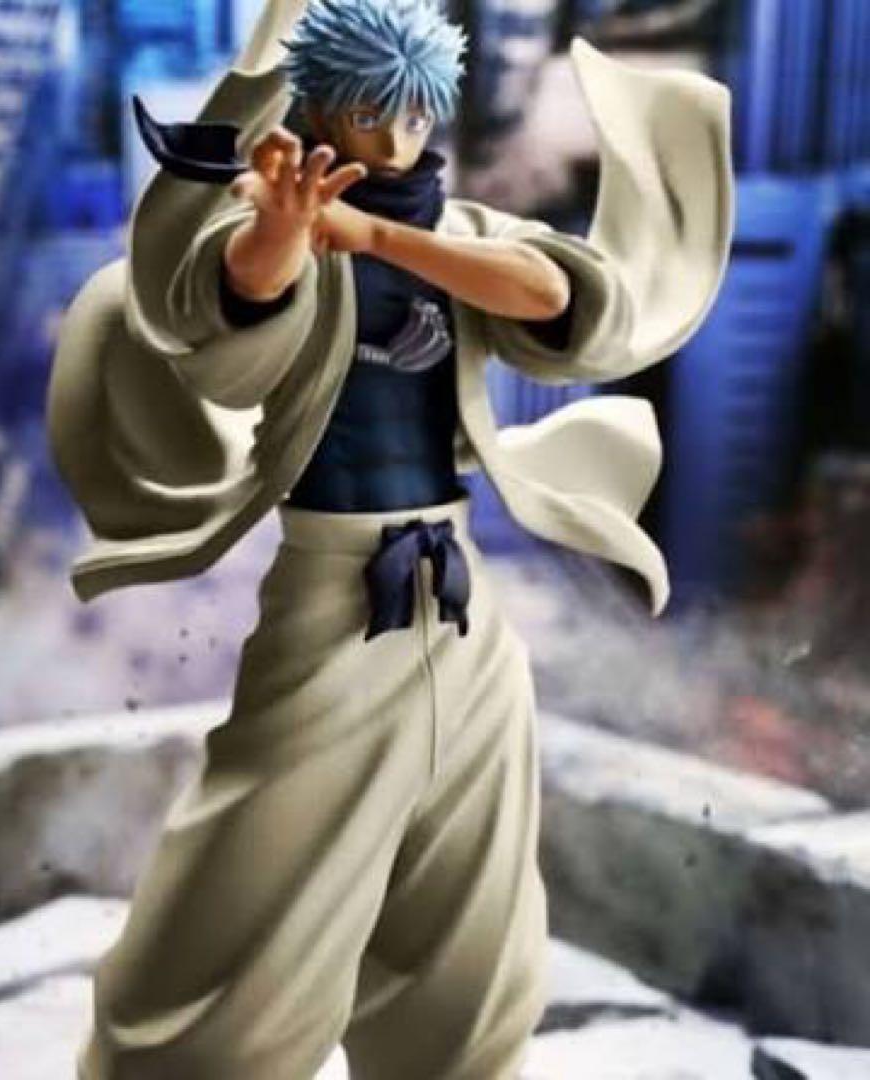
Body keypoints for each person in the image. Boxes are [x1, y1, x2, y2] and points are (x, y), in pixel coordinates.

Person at [47, 1, 733, 1076]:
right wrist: (287, 230)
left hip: (459, 603)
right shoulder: (267, 214)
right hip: (335, 594)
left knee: (468, 916)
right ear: (322, 107)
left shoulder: (462, 233)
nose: (400, 138)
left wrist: (374, 235)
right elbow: (233, 315)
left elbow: (553, 295)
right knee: (244, 890)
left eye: (415, 114)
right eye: (375, 113)